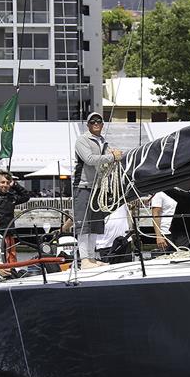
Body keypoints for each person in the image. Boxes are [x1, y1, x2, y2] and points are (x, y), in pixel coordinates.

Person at [72, 112, 122, 268]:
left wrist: (113, 157)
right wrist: (112, 158)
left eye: (99, 121)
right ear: (88, 125)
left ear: (102, 124)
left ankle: (92, 258)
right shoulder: (82, 140)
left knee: (95, 224)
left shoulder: (103, 142)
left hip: (99, 188)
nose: (96, 123)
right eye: (92, 121)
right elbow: (89, 159)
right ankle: (84, 259)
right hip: (83, 186)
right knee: (83, 224)